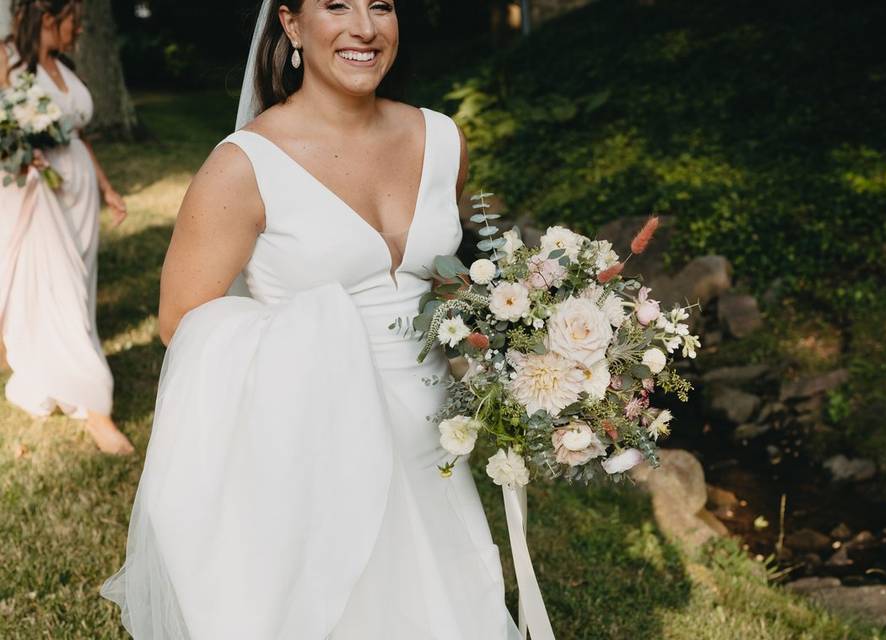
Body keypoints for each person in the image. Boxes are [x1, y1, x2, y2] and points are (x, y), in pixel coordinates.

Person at [101, 1, 525, 637]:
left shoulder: (440, 139)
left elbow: (439, 277)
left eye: (380, 6)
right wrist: (317, 343)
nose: (364, 27)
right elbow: (180, 323)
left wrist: (520, 340)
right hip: (318, 440)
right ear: (292, 25)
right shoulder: (243, 165)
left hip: (435, 437)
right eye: (337, 6)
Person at [0, 0, 133, 455]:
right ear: (49, 18)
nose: (79, 29)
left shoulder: (63, 66)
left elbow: (79, 135)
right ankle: (97, 408)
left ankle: (55, 374)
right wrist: (20, 153)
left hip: (78, 191)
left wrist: (107, 186)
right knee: (61, 292)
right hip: (39, 193)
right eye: (73, 19)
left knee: (80, 288)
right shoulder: (10, 66)